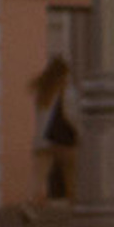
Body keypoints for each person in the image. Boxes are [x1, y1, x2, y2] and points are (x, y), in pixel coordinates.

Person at [31, 55, 78, 203]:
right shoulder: (65, 91)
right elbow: (70, 114)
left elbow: (39, 115)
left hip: (42, 138)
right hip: (63, 140)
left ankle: (31, 204)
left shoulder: (42, 89)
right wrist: (79, 131)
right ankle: (74, 204)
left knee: (39, 176)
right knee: (71, 173)